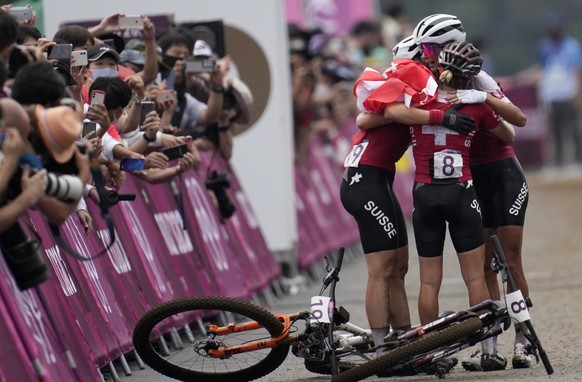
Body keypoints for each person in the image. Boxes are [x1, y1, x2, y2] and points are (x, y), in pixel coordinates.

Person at [344, 35, 476, 367]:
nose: (433, 63)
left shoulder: (409, 97)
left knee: (399, 267)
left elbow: (367, 119)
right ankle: (381, 351)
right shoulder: (403, 93)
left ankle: (404, 345)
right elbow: (370, 118)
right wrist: (440, 118)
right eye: (428, 55)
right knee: (381, 269)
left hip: (378, 179)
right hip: (365, 180)